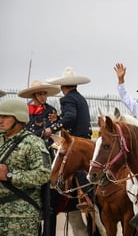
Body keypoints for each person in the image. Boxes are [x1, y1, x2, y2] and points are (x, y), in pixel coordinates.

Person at [46, 67, 95, 217]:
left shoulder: (67, 99)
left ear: (62, 87)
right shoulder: (79, 98)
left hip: (76, 140)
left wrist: (52, 128)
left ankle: (87, 196)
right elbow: (71, 116)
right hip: (85, 137)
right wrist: (59, 119)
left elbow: (71, 118)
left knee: (71, 161)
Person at [0, 99, 51, 236]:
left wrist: (10, 175)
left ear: (19, 118)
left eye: (5, 116)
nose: (0, 120)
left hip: (20, 217)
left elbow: (44, 174)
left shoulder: (33, 143)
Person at [17, 80, 60, 152]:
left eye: (44, 94)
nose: (43, 97)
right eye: (39, 94)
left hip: (43, 146)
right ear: (34, 96)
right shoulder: (27, 110)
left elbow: (47, 129)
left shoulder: (50, 110)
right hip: (26, 145)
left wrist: (28, 137)